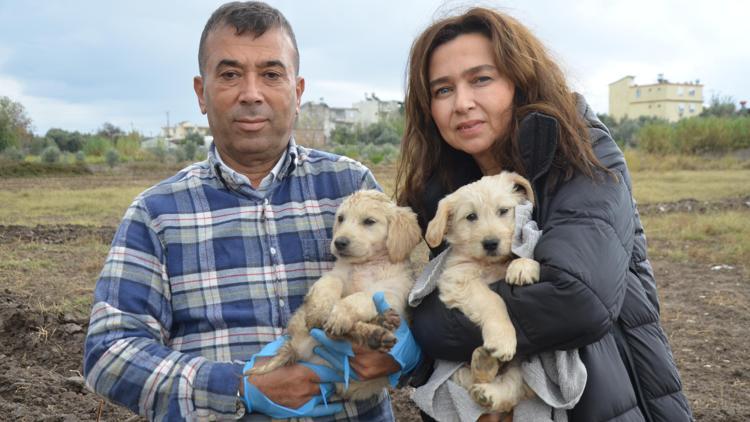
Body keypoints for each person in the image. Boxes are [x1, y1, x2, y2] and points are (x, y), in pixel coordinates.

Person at [83, 2, 413, 420]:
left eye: (272, 74)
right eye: (230, 74)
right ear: (201, 93)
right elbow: (110, 351)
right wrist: (237, 385)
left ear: (297, 91)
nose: (251, 93)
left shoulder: (349, 185)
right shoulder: (157, 214)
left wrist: (406, 349)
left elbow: (405, 291)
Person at [394, 7, 694, 422]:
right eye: (443, 90)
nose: (462, 103)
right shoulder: (448, 185)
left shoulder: (583, 153)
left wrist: (427, 329)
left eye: (481, 79)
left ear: (520, 80)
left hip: (606, 399)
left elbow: (576, 300)